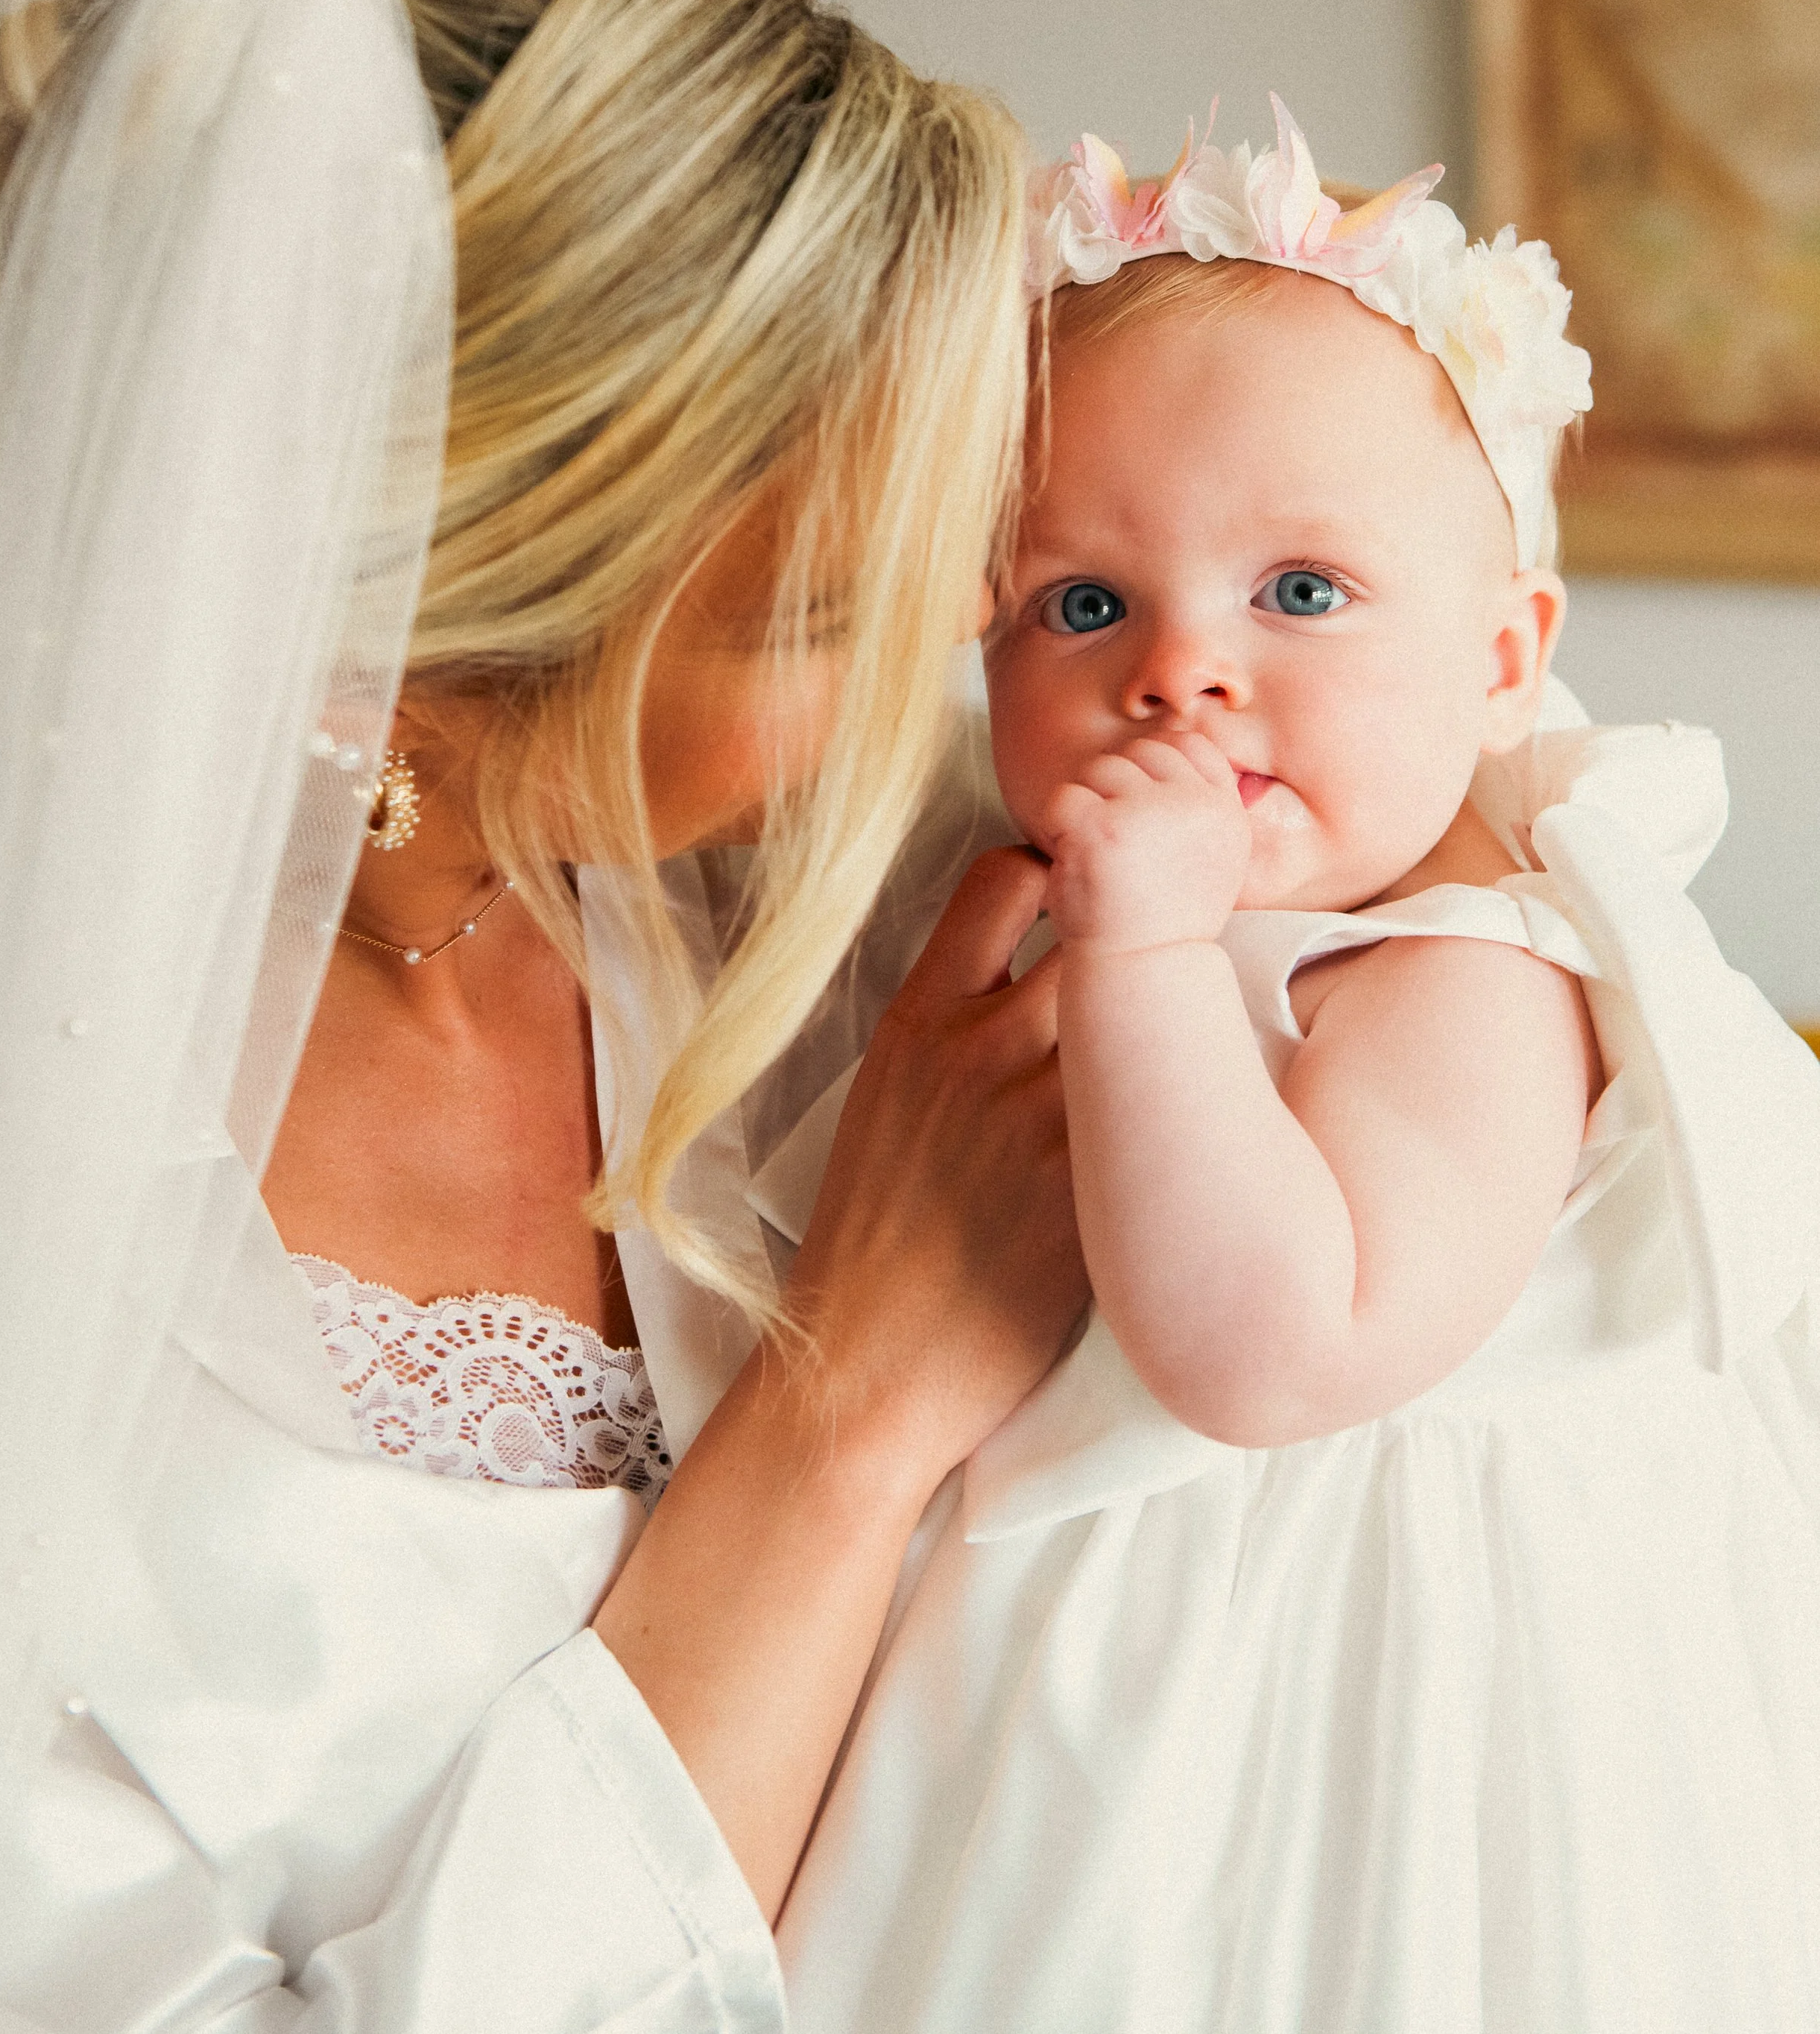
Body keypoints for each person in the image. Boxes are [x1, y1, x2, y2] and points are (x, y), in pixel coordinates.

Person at [0, 0, 1087, 2031]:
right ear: (384, 647)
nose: (939, 669)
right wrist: (844, 1406)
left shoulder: (805, 872)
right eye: (810, 614)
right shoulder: (25, 1196)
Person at [777, 103, 1820, 2033]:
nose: (1181, 673)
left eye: (1300, 593)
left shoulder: (1468, 973)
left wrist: (1151, 952)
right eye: (1077, 604)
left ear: (1504, 658)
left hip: (1317, 1749)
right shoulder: (1044, 884)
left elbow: (1261, 1348)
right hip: (1055, 1671)